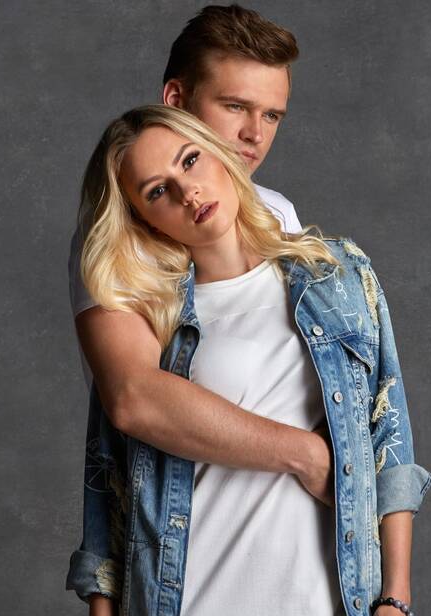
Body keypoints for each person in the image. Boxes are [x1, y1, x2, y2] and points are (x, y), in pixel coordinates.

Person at [65, 103, 431, 616]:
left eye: (189, 161)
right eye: (158, 191)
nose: (188, 192)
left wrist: (396, 595)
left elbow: (389, 438)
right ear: (143, 217)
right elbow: (109, 485)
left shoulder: (337, 273)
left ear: (215, 152)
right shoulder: (152, 321)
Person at [69, 3, 302, 389]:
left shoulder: (277, 212)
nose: (256, 135)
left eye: (271, 115)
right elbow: (135, 396)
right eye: (235, 106)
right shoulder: (122, 229)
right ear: (177, 100)